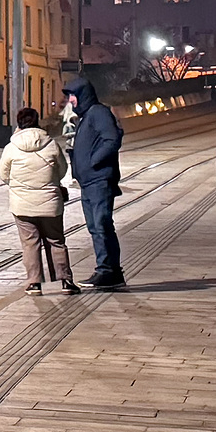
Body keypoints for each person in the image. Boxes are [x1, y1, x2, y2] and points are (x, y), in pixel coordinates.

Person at [0, 107, 78, 296]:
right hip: (50, 203)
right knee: (56, 241)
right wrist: (50, 182)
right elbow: (62, 170)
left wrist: (18, 184)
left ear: (19, 123)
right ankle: (66, 281)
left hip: (22, 205)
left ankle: (34, 283)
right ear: (37, 121)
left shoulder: (11, 147)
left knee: (30, 244)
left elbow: (3, 174)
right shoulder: (50, 144)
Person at [62, 76, 125, 289]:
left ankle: (107, 271)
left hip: (99, 180)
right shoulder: (86, 116)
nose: (70, 100)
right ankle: (109, 270)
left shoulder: (98, 113)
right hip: (89, 181)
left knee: (101, 225)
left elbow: (112, 138)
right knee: (95, 226)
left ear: (82, 95)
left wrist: (93, 161)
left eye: (73, 96)